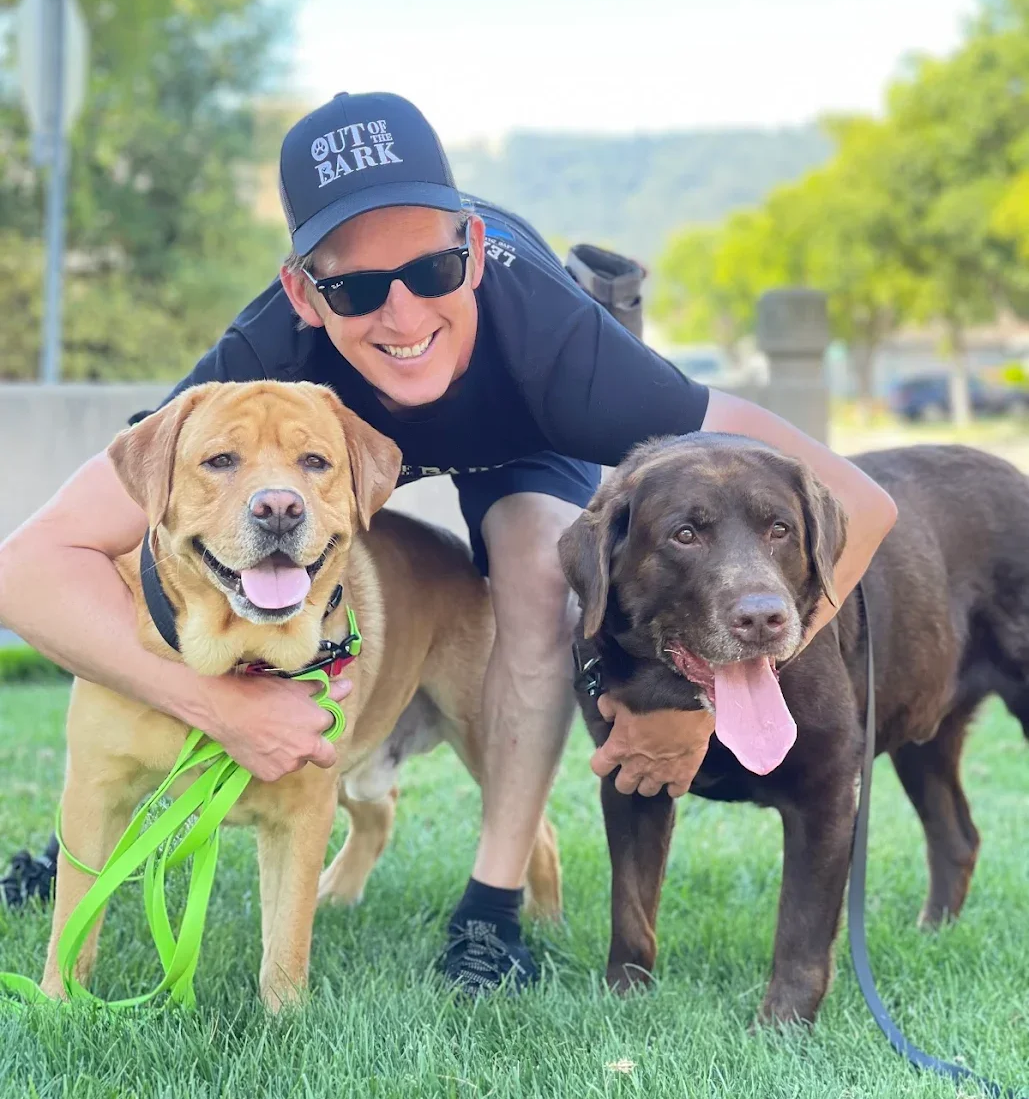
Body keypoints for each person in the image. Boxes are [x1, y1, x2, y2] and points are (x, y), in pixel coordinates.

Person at [0, 92, 897, 990]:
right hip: (324, 446)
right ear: (301, 294)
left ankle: (490, 911)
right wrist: (220, 709)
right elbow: (28, 570)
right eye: (352, 286)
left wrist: (709, 694)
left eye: (429, 268)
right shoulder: (260, 361)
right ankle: (83, 832)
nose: (398, 314)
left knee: (538, 560)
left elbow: (860, 506)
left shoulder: (568, 352)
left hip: (523, 438)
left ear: (470, 251)